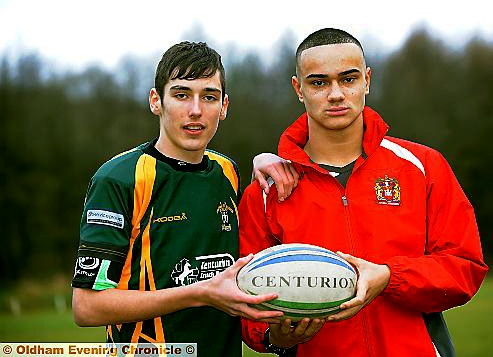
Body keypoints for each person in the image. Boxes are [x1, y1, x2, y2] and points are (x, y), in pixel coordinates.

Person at [239, 28, 488, 357]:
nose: (336, 94)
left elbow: (464, 268)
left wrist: (389, 277)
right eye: (319, 82)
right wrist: (276, 337)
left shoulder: (423, 166)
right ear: (298, 88)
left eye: (348, 79)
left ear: (367, 80)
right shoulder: (267, 191)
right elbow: (245, 297)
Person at [71, 41, 297, 357]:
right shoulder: (120, 178)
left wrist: (264, 159)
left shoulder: (226, 171)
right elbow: (87, 307)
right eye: (181, 95)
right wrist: (201, 293)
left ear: (224, 106)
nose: (195, 110)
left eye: (209, 97)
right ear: (156, 101)